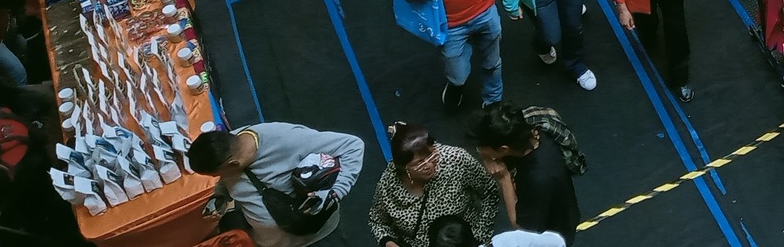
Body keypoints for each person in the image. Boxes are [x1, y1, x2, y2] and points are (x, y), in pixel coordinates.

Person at [188, 123, 368, 247]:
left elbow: (353, 145)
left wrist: (336, 193)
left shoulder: (287, 139)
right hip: (269, 241)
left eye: (217, 174)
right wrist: (220, 195)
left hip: (316, 237)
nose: (219, 177)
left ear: (233, 164)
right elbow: (228, 180)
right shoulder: (227, 147)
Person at [367, 123, 501, 247]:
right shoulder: (389, 183)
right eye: (419, 163)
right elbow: (377, 222)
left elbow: (490, 191)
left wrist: (479, 237)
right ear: (404, 168)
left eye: (432, 156)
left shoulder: (456, 160)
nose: (429, 165)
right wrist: (388, 242)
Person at [471, 104, 581, 244]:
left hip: (551, 234)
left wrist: (504, 178)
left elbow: (521, 228)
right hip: (562, 208)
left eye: (483, 150)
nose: (481, 153)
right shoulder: (535, 130)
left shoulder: (536, 179)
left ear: (503, 149)